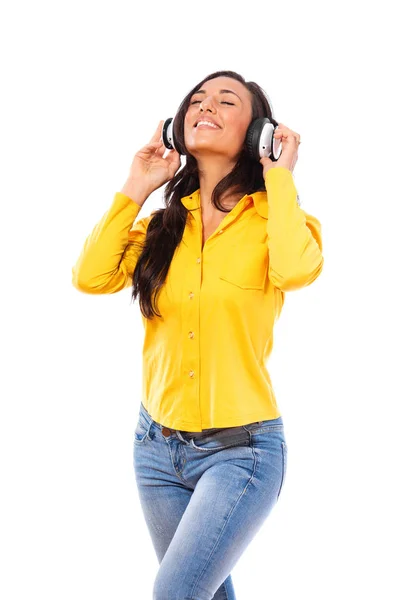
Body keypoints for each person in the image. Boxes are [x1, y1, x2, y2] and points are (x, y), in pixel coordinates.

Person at [72, 69, 324, 600]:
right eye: (197, 100)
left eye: (226, 101)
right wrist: (138, 184)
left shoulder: (278, 221)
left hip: (242, 453)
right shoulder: (163, 227)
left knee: (176, 594)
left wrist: (279, 175)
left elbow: (297, 271)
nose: (204, 106)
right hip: (155, 449)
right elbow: (90, 277)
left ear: (258, 132)